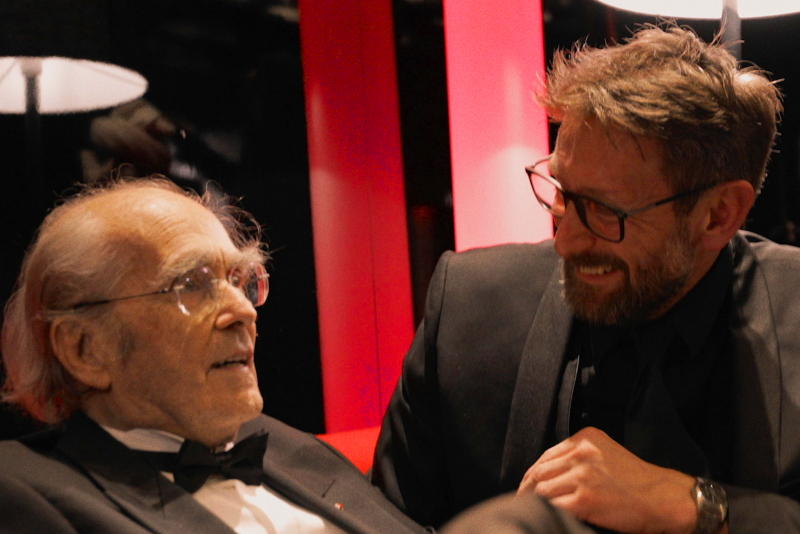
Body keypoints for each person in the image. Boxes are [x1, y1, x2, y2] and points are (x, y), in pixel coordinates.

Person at [371, 23, 799, 534]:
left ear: (718, 215)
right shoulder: (466, 306)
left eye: (603, 210)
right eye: (562, 192)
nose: (565, 242)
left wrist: (697, 506)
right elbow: (382, 523)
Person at [0, 177, 427, 534]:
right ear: (85, 349)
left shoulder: (281, 443)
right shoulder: (25, 491)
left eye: (239, 279)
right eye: (191, 285)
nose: (244, 311)